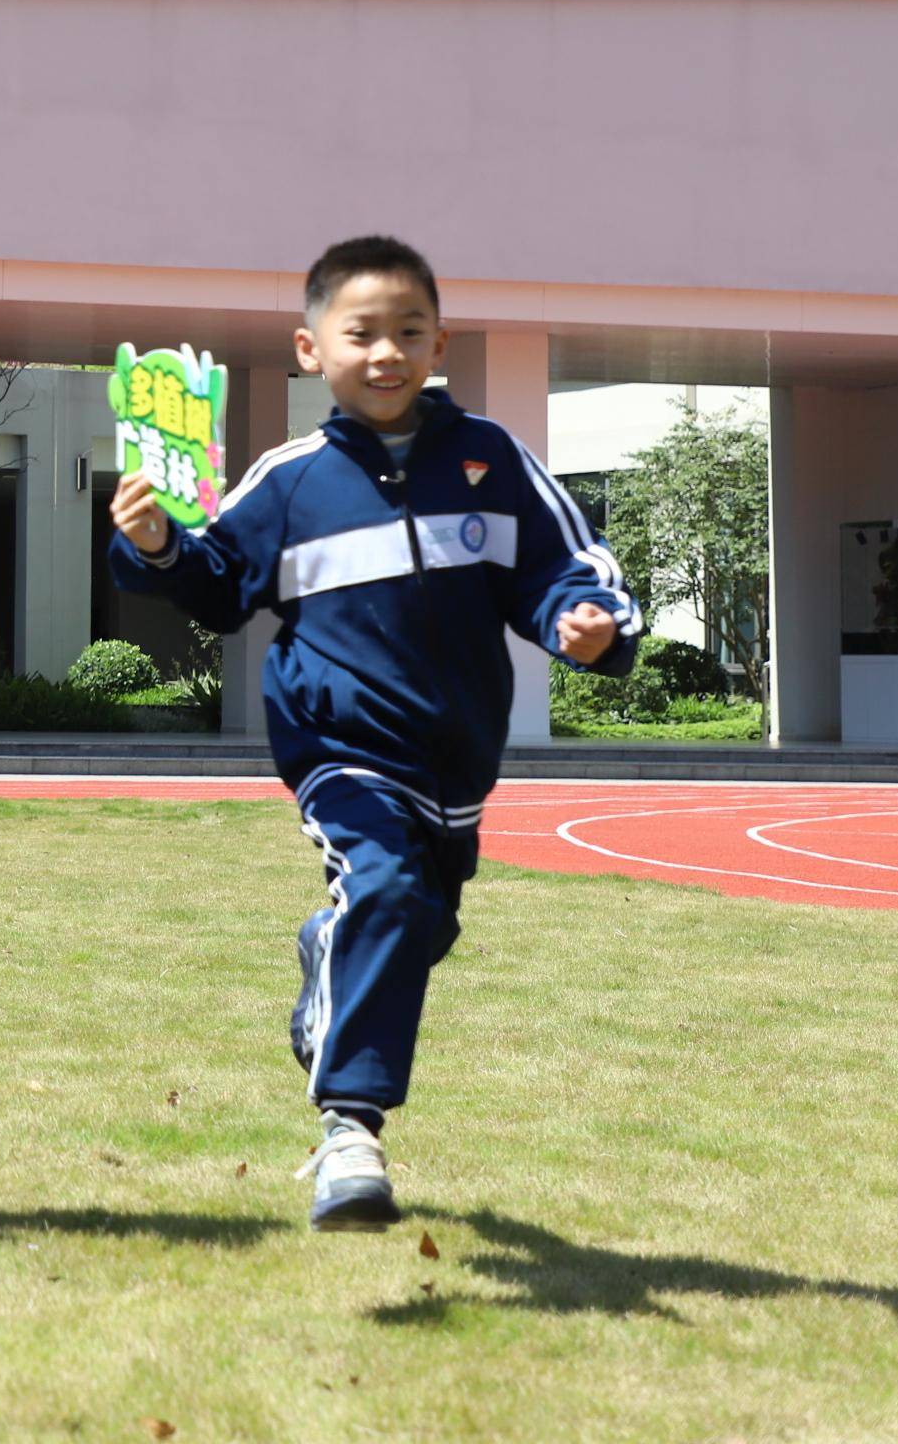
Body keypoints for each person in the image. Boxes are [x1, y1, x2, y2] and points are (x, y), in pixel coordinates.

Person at [105, 235, 641, 1229]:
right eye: (362, 334)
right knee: (386, 886)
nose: (386, 352)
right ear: (312, 350)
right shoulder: (291, 480)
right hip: (339, 747)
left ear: (439, 344)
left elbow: (567, 567)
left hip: (459, 756)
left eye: (408, 332)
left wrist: (590, 624)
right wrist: (155, 544)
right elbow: (219, 583)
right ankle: (351, 1132)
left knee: (417, 921)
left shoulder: (490, 459)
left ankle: (329, 953)